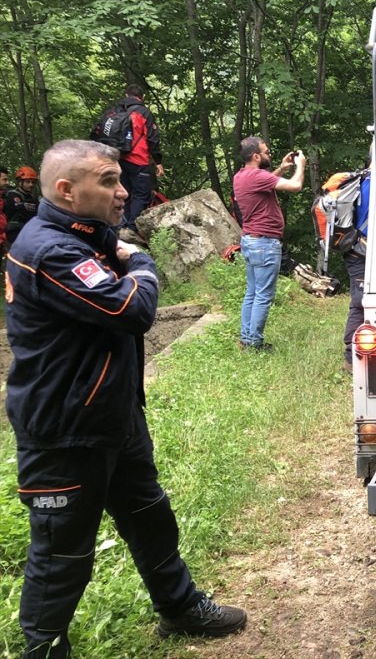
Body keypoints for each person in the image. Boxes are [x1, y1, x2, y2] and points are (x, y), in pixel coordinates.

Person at [5, 139, 246, 659]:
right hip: (65, 428)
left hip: (113, 415)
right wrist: (139, 262)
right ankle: (43, 651)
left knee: (149, 516)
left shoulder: (86, 236)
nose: (123, 191)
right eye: (108, 181)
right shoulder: (51, 249)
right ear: (67, 191)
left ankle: (179, 608)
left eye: (120, 178)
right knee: (62, 551)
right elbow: (131, 310)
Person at [232, 136, 305, 351]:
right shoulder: (257, 175)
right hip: (264, 244)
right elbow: (296, 186)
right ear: (256, 156)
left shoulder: (242, 175)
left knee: (252, 292)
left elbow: (265, 183)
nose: (269, 154)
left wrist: (282, 168)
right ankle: (254, 343)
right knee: (263, 295)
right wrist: (300, 166)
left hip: (251, 241)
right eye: (266, 152)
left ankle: (246, 339)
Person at [91, 84, 164, 240]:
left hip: (117, 159)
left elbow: (97, 134)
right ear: (141, 98)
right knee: (141, 194)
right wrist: (158, 161)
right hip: (138, 159)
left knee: (125, 194)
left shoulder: (114, 112)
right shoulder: (143, 112)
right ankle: (131, 229)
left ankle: (122, 226)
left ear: (126, 95)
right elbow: (152, 138)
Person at [342, 168, 371, 371]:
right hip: (360, 250)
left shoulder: (365, 179)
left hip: (360, 249)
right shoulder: (372, 183)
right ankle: (351, 358)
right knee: (360, 302)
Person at [5, 166, 40, 247]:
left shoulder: (33, 198)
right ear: (20, 182)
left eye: (33, 182)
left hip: (28, 234)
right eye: (28, 182)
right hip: (14, 235)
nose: (31, 185)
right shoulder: (12, 195)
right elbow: (24, 211)